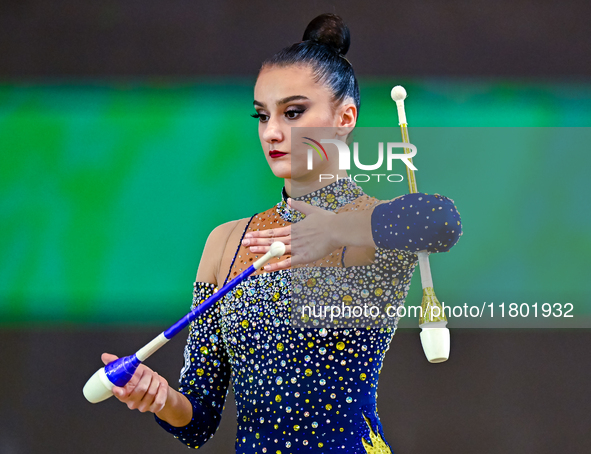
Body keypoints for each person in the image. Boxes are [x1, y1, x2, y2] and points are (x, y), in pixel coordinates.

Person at [100, 13, 462, 453]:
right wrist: (157, 398)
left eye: (293, 112)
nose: (272, 132)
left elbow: (441, 221)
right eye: (261, 115)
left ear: (344, 117)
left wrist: (332, 229)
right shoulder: (228, 241)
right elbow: (198, 419)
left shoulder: (374, 222)